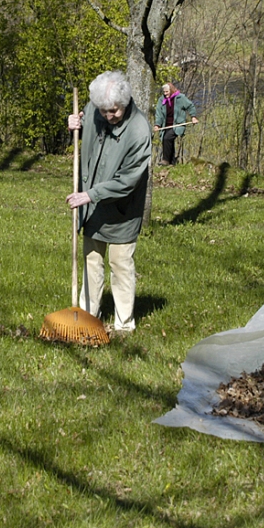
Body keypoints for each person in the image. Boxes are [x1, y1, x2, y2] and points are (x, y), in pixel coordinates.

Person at [67, 71, 152, 332]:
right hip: (91, 207)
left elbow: (128, 180)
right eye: (103, 111)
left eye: (113, 111)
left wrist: (91, 194)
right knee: (92, 260)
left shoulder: (139, 131)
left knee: (120, 264)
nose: (108, 116)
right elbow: (87, 138)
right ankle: (86, 316)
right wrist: (74, 126)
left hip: (121, 210)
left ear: (125, 103)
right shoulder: (94, 108)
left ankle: (124, 324)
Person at [153, 82, 198, 165]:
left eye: (167, 92)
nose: (165, 94)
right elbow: (158, 114)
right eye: (164, 92)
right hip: (165, 125)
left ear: (171, 90)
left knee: (167, 138)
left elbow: (190, 106)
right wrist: (157, 125)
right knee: (166, 140)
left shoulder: (181, 98)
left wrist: (193, 117)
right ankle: (172, 162)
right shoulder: (161, 100)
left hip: (178, 125)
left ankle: (165, 160)